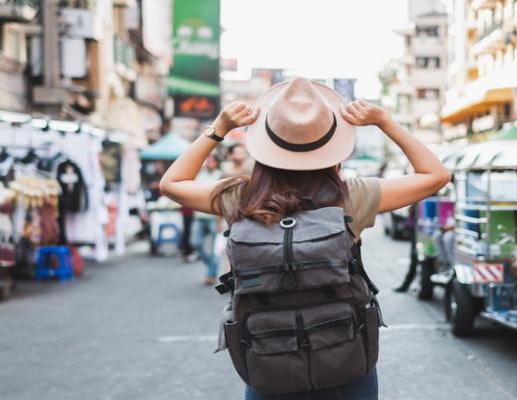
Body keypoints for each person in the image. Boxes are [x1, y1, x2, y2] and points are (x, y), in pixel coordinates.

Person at [160, 78, 450, 399]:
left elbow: (171, 183)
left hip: (269, 360)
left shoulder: (241, 197)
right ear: (332, 146)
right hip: (346, 359)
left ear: (265, 145)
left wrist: (219, 128)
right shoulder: (352, 196)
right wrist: (383, 121)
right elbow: (435, 175)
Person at [190, 154, 222, 285]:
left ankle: (211, 274)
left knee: (215, 248)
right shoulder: (200, 175)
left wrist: (221, 219)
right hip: (199, 216)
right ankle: (211, 265)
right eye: (207, 160)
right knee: (196, 243)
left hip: (214, 217)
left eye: (211, 161)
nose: (209, 163)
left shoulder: (220, 174)